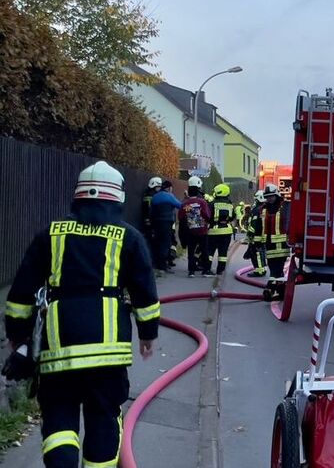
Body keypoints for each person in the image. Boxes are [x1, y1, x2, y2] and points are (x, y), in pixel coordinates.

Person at [3, 161, 159, 468]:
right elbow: (145, 292)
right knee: (103, 417)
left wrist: (18, 337)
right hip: (108, 354)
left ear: (78, 197)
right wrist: (148, 333)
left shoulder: (50, 234)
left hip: (58, 350)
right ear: (118, 199)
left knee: (59, 417)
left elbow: (20, 294)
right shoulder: (128, 237)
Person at [255, 183, 290, 298]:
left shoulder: (284, 207)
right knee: (273, 268)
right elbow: (259, 227)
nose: (270, 198)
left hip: (282, 245)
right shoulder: (263, 209)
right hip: (269, 245)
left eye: (272, 196)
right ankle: (281, 291)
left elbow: (290, 224)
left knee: (277, 268)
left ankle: (270, 288)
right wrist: (257, 241)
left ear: (276, 195)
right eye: (268, 196)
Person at [178, 176, 212, 278]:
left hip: (190, 231)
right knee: (204, 250)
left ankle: (191, 271)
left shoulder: (185, 203)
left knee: (191, 252)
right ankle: (206, 270)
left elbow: (181, 216)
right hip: (202, 231)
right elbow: (207, 215)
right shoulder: (202, 202)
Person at [149, 180, 181, 277]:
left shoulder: (155, 197)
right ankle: (163, 267)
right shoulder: (169, 196)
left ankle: (157, 266)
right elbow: (180, 205)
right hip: (166, 223)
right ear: (169, 188)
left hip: (155, 223)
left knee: (157, 244)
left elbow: (151, 211)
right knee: (165, 244)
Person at [203, 183, 235, 275]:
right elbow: (232, 216)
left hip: (213, 231)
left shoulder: (212, 203)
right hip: (227, 231)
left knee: (210, 252)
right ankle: (220, 271)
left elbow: (207, 215)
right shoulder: (230, 204)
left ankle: (207, 269)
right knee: (223, 253)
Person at [245, 190, 267, 278]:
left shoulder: (257, 210)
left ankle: (259, 271)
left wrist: (250, 233)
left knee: (256, 253)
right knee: (261, 252)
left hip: (256, 236)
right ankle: (263, 269)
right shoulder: (265, 208)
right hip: (263, 236)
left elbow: (254, 223)